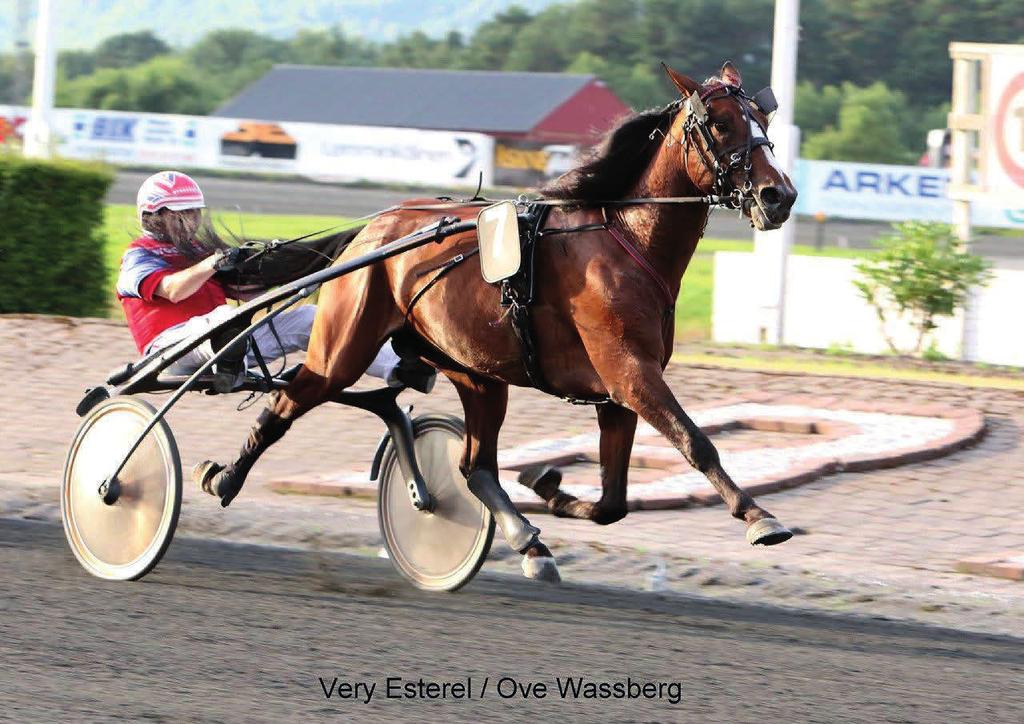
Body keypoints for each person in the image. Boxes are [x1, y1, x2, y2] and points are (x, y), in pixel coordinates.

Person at [116, 170, 433, 394]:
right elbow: (173, 291)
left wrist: (283, 269)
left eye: (194, 212)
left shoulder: (197, 251)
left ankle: (398, 368)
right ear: (153, 216)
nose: (193, 221)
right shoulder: (138, 255)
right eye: (181, 214)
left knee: (311, 318)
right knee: (225, 318)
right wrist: (214, 262)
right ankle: (227, 362)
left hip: (227, 342)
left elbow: (248, 294)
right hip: (171, 350)